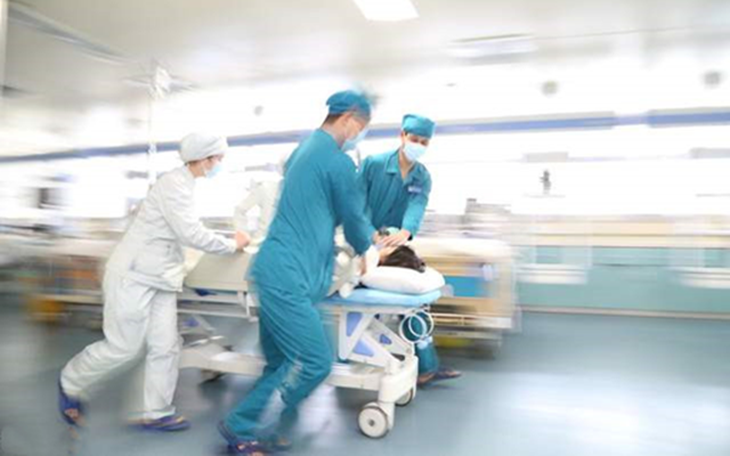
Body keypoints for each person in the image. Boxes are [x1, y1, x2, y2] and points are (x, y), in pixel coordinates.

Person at [219, 90, 376, 455]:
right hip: (288, 275)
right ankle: (243, 426)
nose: (359, 134)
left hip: (278, 270)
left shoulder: (302, 151)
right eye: (361, 126)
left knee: (279, 360)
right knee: (317, 361)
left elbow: (317, 210)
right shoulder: (336, 162)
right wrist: (367, 247)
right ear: (348, 118)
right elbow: (352, 218)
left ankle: (265, 427)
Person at [58, 133, 250, 432]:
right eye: (218, 158)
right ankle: (70, 382)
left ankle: (154, 412)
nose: (220, 163)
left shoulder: (186, 185)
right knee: (124, 346)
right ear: (204, 158)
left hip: (162, 278)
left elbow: (185, 229)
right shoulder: (173, 184)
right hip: (133, 276)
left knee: (166, 346)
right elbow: (189, 232)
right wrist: (231, 244)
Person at [359, 114, 461, 386]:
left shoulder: (422, 176)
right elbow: (356, 204)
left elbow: (417, 207)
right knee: (368, 314)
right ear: (402, 135)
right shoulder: (374, 164)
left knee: (415, 307)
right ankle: (358, 362)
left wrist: (404, 232)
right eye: (415, 139)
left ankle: (427, 367)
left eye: (424, 142)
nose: (419, 145)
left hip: (396, 242)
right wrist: (370, 234)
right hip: (365, 243)